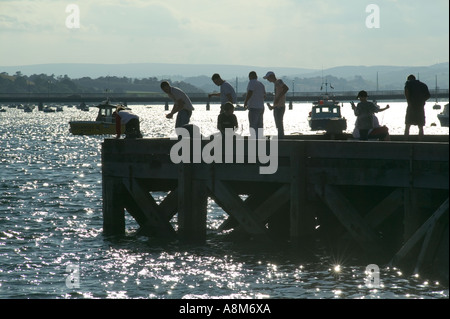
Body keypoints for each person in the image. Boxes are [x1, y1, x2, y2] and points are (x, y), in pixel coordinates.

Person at [404, 74, 430, 139]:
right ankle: (420, 140)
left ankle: (405, 140)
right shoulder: (423, 85)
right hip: (420, 107)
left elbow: (406, 92)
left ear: (409, 79)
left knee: (407, 125)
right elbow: (428, 95)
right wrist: (422, 101)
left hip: (411, 107)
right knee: (420, 126)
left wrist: (409, 102)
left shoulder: (408, 83)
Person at [264, 71, 289, 138]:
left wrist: (278, 97)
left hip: (280, 107)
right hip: (277, 106)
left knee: (279, 123)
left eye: (268, 78)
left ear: (271, 76)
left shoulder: (278, 81)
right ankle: (280, 136)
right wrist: (273, 106)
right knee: (278, 123)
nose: (267, 80)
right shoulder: (276, 84)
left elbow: (286, 88)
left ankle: (281, 137)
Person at [243, 71, 266, 138]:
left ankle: (254, 139)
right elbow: (264, 95)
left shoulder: (251, 82)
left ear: (250, 77)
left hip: (253, 107)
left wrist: (246, 101)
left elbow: (250, 92)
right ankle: (260, 138)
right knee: (260, 125)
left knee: (253, 125)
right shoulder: (261, 84)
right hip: (261, 107)